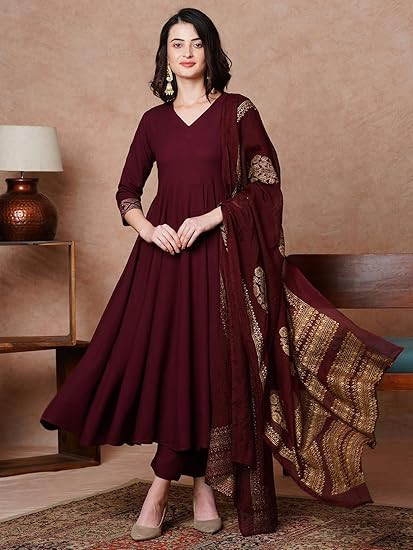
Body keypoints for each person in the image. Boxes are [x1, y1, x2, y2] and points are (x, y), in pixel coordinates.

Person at [40, 7, 404, 542]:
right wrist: (148, 229)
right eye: (176, 44)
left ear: (210, 51)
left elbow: (265, 184)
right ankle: (199, 487)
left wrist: (212, 217)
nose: (186, 53)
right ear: (165, 56)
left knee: (211, 370)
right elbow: (126, 191)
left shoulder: (238, 112)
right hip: (163, 263)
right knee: (172, 370)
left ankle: (163, 490)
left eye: (196, 43)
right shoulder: (153, 121)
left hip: (222, 263)